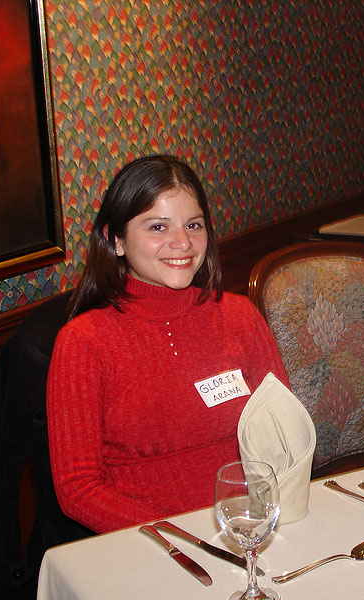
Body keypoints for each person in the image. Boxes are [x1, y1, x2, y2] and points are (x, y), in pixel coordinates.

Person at [46, 155, 288, 533]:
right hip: (148, 541)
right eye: (158, 227)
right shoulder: (83, 342)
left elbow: (284, 438)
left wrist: (260, 520)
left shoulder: (240, 317)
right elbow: (78, 489)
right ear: (116, 240)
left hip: (249, 527)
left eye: (193, 225)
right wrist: (181, 535)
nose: (182, 242)